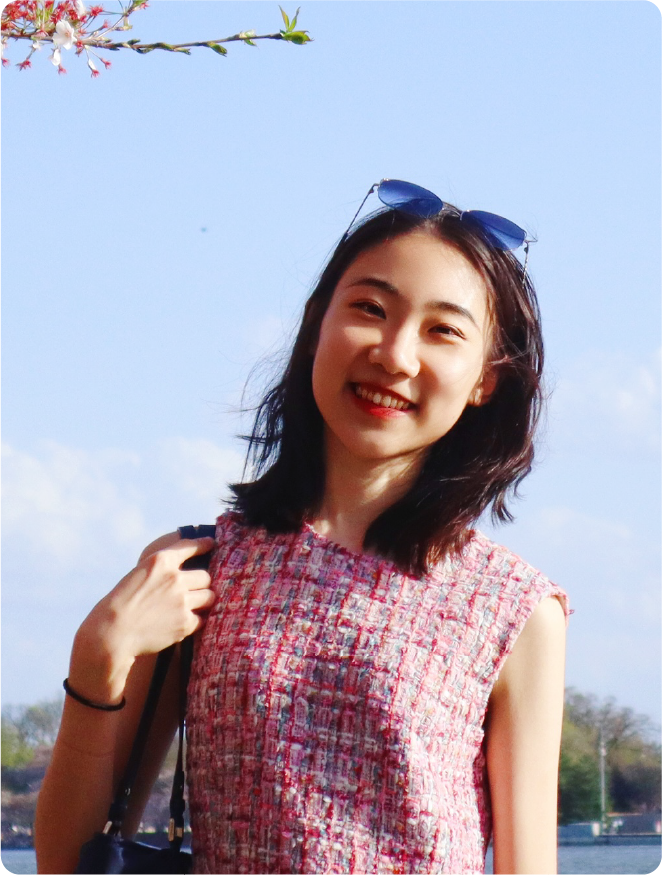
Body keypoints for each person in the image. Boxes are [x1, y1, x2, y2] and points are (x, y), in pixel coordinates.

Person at [35, 180, 568, 875]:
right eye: (370, 309)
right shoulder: (198, 567)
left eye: (442, 330)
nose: (395, 355)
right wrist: (97, 659)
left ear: (485, 380)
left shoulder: (514, 609)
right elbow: (63, 861)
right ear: (317, 324)